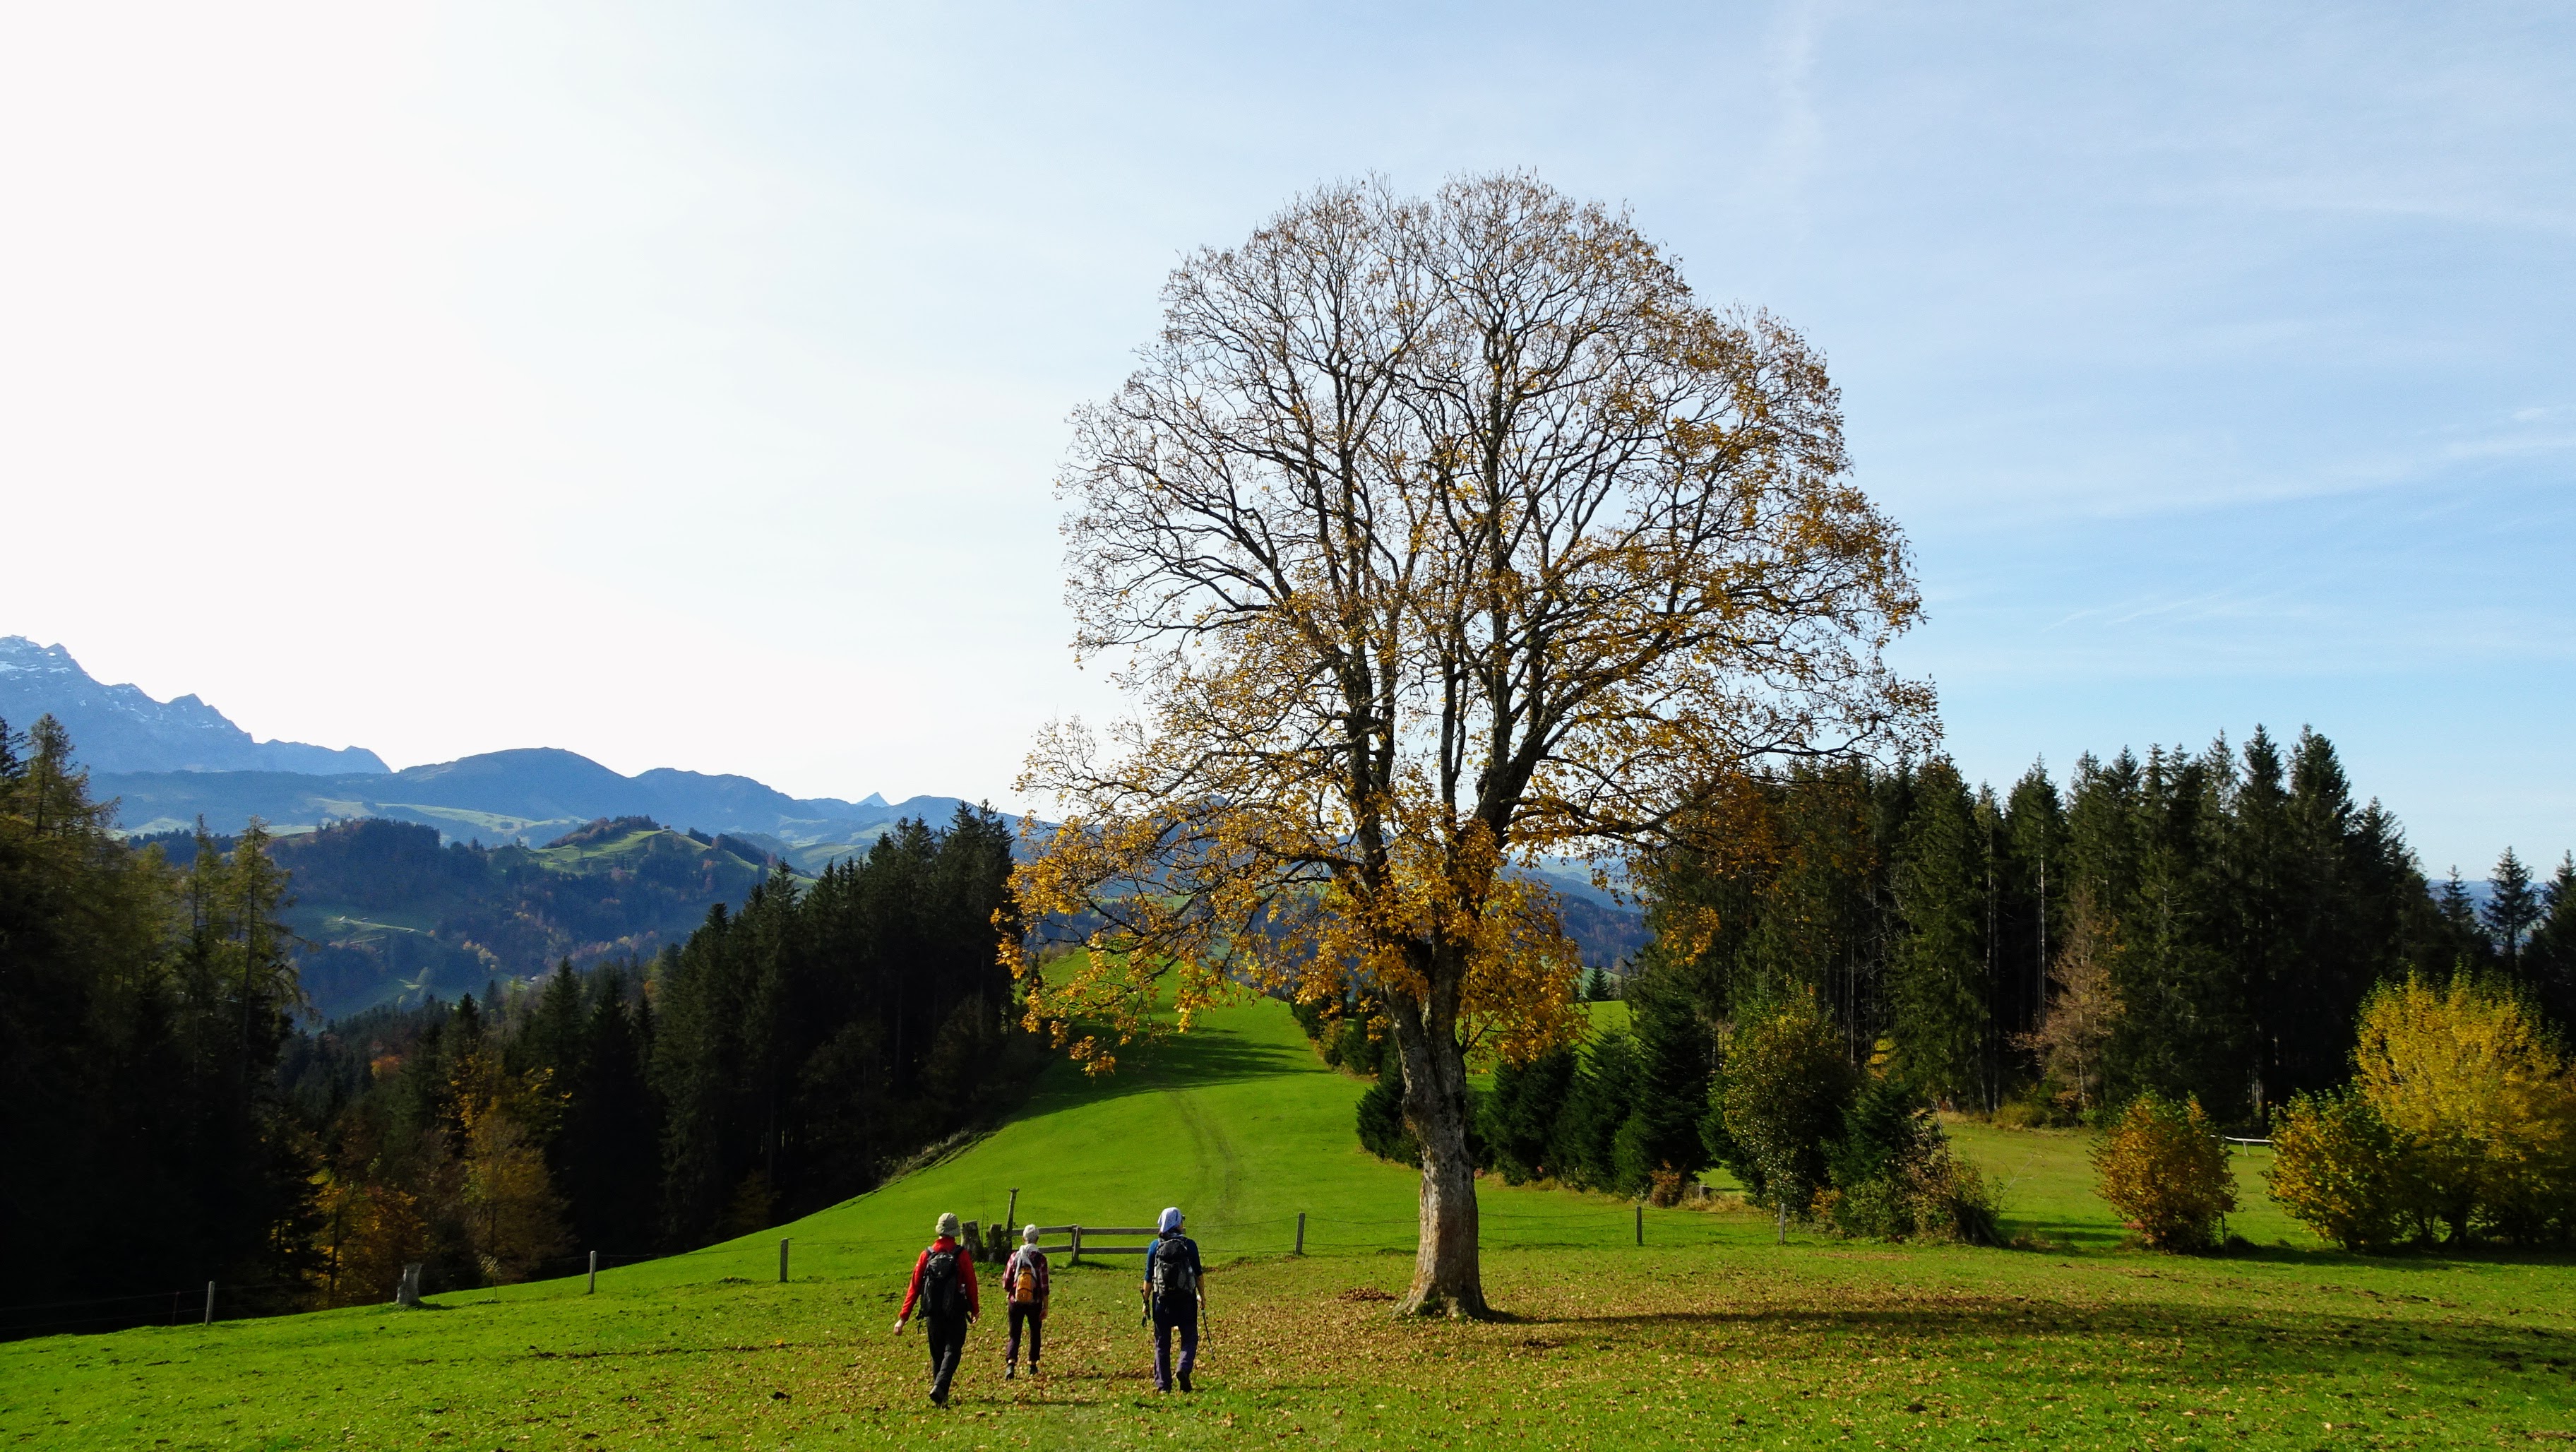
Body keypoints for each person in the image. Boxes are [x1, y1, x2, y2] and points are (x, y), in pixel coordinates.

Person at [894, 1212, 980, 1406]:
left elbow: (914, 1287)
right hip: (955, 1310)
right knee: (953, 1351)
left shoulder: (926, 1255)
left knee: (937, 1354)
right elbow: (971, 1283)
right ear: (955, 1232)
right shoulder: (961, 1254)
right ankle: (940, 1388)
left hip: (932, 1311)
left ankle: (940, 1398)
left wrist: (903, 1318)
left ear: (939, 1230)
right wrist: (974, 1309)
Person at [1141, 1205, 1207, 1393]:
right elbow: (1198, 1275)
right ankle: (1183, 1368)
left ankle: (1163, 1386)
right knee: (1190, 1338)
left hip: (1162, 1302)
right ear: (1177, 1224)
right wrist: (1203, 1297)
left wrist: (1145, 1302)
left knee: (1162, 1343)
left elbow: (1148, 1278)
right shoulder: (1189, 1245)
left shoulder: (1155, 1246)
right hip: (1186, 1301)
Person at [999, 1223, 1051, 1379]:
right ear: (1037, 1240)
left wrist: (1012, 1291)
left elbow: (1006, 1282)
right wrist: (1046, 1306)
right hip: (1034, 1302)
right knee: (1035, 1332)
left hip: (1016, 1302)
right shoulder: (1041, 1260)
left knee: (1014, 1334)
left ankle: (1011, 1364)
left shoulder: (1015, 1257)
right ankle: (1032, 1365)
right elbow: (1044, 1286)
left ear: (1023, 1239)